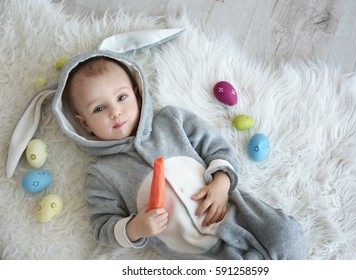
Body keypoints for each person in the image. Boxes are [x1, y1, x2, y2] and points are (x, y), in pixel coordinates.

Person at [53, 50, 307, 259]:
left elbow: (217, 147)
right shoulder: (102, 174)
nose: (116, 112)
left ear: (138, 95)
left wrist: (221, 182)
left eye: (121, 97)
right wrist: (134, 228)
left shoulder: (171, 120)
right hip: (198, 255)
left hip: (234, 212)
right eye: (99, 108)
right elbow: (102, 226)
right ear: (84, 123)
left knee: (286, 235)